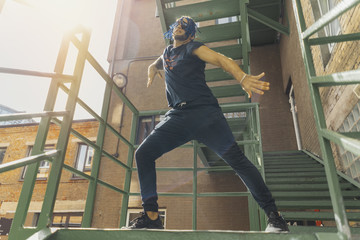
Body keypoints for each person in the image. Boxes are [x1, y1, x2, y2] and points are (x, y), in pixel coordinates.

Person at [127, 16, 289, 232]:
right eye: (178, 23)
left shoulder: (193, 48)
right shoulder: (167, 53)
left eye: (186, 25)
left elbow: (222, 60)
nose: (180, 25)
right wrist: (151, 67)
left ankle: (275, 217)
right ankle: (152, 216)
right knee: (143, 154)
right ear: (172, 31)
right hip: (178, 116)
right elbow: (158, 61)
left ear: (191, 34)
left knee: (238, 161)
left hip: (204, 114)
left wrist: (241, 77)